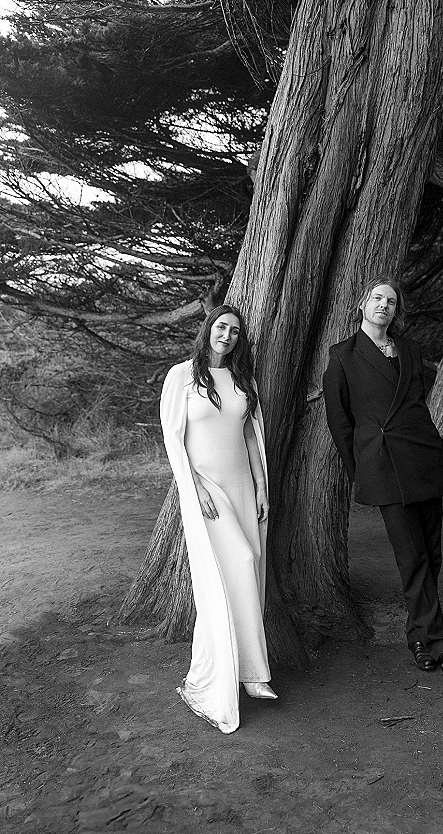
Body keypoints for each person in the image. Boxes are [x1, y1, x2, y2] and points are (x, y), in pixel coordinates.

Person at [322, 276, 443, 679]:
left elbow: (418, 405)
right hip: (383, 467)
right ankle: (439, 642)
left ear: (396, 311)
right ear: (362, 306)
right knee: (412, 556)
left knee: (431, 554)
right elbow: (339, 423)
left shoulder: (410, 350)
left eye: (391, 301)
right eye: (377, 298)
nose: (383, 305)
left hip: (423, 459)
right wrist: (362, 472)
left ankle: (418, 635)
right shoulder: (342, 356)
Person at [160, 304, 277, 735]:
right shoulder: (182, 377)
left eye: (235, 331)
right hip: (207, 492)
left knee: (250, 569)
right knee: (235, 566)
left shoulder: (243, 380)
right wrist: (196, 486)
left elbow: (250, 434)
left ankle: (251, 673)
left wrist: (262, 486)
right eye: (221, 327)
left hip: (243, 486)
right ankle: (232, 677)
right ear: (208, 329)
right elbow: (174, 439)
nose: (227, 335)